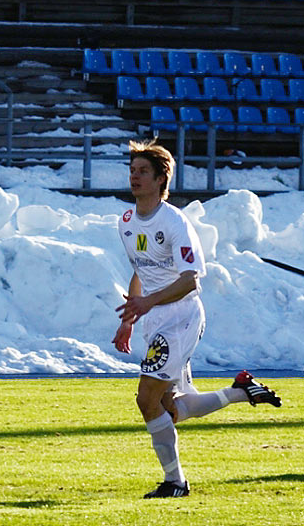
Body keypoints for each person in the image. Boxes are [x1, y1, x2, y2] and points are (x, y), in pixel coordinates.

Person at [112, 140, 281, 499]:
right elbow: (140, 271)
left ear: (161, 179)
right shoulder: (126, 222)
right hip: (154, 319)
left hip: (181, 317)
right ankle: (239, 392)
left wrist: (148, 303)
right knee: (169, 409)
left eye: (143, 171)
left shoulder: (174, 222)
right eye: (132, 171)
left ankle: (176, 483)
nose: (134, 177)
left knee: (146, 400)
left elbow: (191, 279)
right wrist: (131, 315)